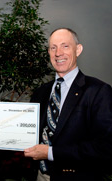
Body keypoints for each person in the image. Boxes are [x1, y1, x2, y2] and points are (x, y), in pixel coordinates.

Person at [24, 28, 112, 181]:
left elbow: (105, 147)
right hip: (39, 176)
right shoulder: (41, 92)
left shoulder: (98, 91)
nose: (58, 53)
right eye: (53, 47)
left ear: (78, 50)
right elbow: (24, 135)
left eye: (65, 46)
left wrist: (51, 153)